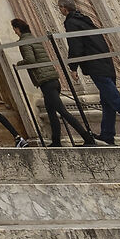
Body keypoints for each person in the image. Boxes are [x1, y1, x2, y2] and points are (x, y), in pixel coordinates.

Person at [57, 0, 120, 146]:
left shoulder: (72, 22)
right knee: (107, 102)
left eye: (60, 7)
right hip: (106, 64)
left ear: (64, 9)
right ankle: (107, 135)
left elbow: (76, 44)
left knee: (117, 102)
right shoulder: (86, 20)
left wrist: (73, 67)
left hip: (96, 67)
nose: (60, 10)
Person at [12, 17, 94, 146]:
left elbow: (30, 59)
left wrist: (18, 64)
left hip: (46, 80)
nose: (15, 32)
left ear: (17, 29)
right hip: (52, 78)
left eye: (15, 30)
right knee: (51, 112)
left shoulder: (24, 42)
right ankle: (56, 141)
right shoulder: (34, 39)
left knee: (62, 111)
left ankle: (87, 137)